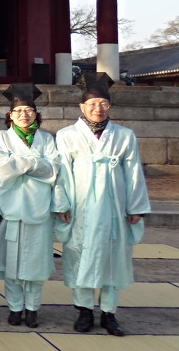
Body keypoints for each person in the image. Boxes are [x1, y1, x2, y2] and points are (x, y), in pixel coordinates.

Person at [54, 72, 150, 337]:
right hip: (81, 206)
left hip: (113, 206)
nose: (98, 109)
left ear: (110, 106)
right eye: (92, 104)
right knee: (80, 255)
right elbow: (62, 172)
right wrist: (61, 203)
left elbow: (133, 172)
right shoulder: (66, 135)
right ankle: (84, 310)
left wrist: (136, 207)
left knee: (112, 257)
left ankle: (109, 312)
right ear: (82, 107)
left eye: (103, 104)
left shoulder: (124, 135)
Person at [0, 83, 61, 329]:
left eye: (28, 110)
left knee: (36, 264)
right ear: (10, 114)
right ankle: (15, 307)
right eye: (18, 111)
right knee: (12, 264)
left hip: (39, 207)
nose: (24, 115)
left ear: (36, 113)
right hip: (11, 208)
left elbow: (53, 168)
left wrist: (20, 163)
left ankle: (32, 308)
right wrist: (34, 163)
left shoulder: (46, 139)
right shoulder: (1, 138)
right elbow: (0, 168)